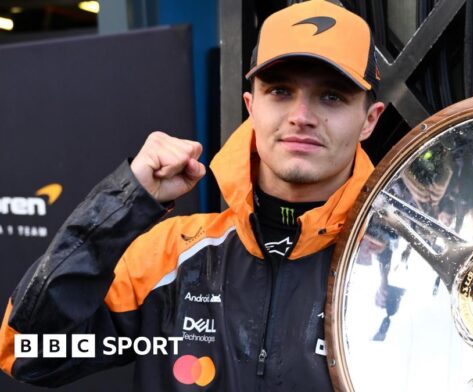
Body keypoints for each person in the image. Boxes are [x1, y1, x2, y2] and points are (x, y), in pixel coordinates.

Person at [0, 1, 385, 390]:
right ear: (252, 106)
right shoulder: (171, 256)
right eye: (280, 90)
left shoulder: (396, 268)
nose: (301, 115)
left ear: (369, 120)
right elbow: (26, 350)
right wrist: (122, 204)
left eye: (332, 96)